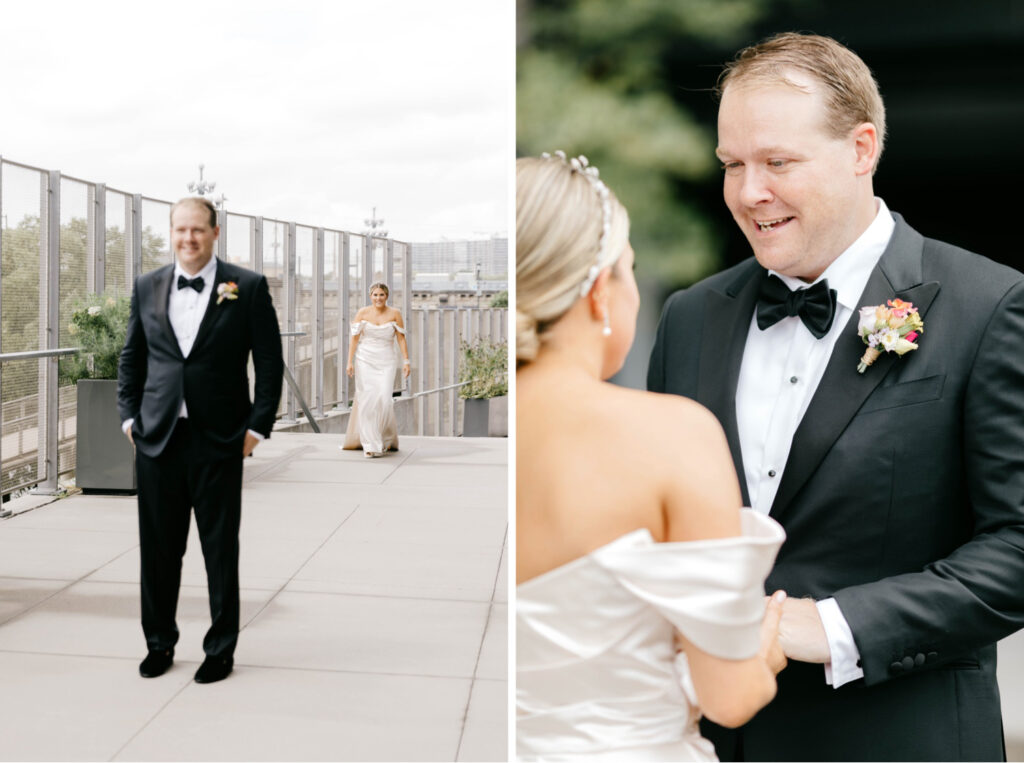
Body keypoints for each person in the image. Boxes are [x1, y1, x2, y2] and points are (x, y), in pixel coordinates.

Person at [648, 32, 1024, 761]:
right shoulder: (690, 317)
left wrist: (829, 624)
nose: (748, 191)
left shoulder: (990, 305)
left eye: (777, 162)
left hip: (897, 739)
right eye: (732, 165)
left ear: (861, 149)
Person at [517, 151, 788, 761]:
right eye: (629, 269)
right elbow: (730, 698)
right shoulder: (673, 436)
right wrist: (760, 651)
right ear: (596, 293)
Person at [117, 196, 283, 684]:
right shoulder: (148, 286)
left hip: (220, 439)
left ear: (214, 233)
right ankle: (159, 643)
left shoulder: (246, 287)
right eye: (180, 230)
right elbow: (133, 358)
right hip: (158, 439)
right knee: (159, 551)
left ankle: (220, 649)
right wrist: (128, 419)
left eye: (197, 230)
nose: (188, 239)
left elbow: (269, 363)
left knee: (219, 550)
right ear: (171, 233)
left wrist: (257, 428)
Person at [343, 283, 410, 457]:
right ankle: (370, 445)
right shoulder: (362, 313)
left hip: (387, 360)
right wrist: (349, 362)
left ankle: (384, 438)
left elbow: (401, 339)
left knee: (384, 399)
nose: (378, 298)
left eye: (381, 295)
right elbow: (354, 339)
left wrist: (406, 361)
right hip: (365, 359)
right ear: (370, 296)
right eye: (375, 295)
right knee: (367, 400)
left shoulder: (395, 313)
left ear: (386, 296)